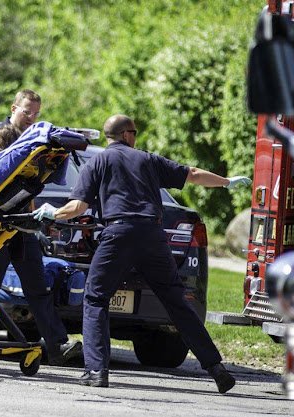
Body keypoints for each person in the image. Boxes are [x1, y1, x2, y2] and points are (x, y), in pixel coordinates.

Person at [32, 114, 250, 392]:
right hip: (153, 236)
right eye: (134, 132)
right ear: (126, 134)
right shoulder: (147, 160)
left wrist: (53, 213)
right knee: (176, 302)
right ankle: (217, 369)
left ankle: (97, 371)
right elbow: (193, 174)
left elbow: (78, 208)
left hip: (118, 234)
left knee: (96, 298)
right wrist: (226, 182)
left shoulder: (97, 162)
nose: (136, 137)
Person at [0, 89, 81, 366]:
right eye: (27, 112)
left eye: (36, 114)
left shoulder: (35, 143)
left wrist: (34, 217)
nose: (31, 118)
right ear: (14, 108)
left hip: (22, 225)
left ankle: (57, 345)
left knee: (37, 287)